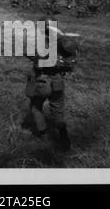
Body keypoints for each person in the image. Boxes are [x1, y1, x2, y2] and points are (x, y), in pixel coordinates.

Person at [24, 16, 78, 151]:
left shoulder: (39, 42)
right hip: (57, 82)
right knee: (58, 112)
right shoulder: (63, 43)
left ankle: (43, 136)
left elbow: (28, 53)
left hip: (41, 81)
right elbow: (71, 58)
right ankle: (65, 140)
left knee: (36, 108)